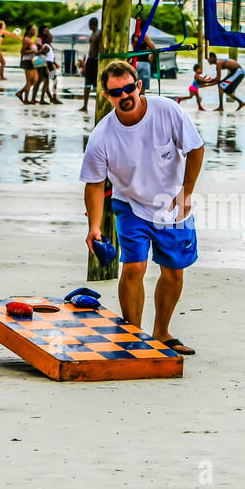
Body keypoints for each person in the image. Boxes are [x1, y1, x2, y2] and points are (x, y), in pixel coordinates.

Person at [80, 60, 204, 356]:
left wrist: (186, 193)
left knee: (174, 272)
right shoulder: (102, 135)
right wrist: (94, 227)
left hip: (171, 202)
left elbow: (195, 149)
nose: (124, 95)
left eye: (128, 88)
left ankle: (161, 331)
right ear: (106, 96)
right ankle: (132, 335)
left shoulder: (167, 110)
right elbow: (95, 184)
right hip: (130, 204)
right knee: (134, 266)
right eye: (115, 92)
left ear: (139, 86)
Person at [79, 16, 100, 112]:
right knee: (87, 84)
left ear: (93, 25)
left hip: (95, 60)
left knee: (96, 85)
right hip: (90, 60)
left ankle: (98, 106)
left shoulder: (99, 34)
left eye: (90, 25)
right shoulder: (93, 34)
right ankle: (85, 105)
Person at [15, 23, 39, 104]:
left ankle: (20, 92)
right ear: (29, 31)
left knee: (35, 81)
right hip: (27, 61)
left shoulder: (31, 40)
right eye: (33, 29)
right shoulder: (26, 40)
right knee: (29, 82)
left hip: (33, 61)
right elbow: (22, 51)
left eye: (35, 29)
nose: (34, 31)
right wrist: (32, 51)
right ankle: (26, 99)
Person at [132, 23, 156, 92]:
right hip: (143, 63)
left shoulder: (134, 35)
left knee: (135, 86)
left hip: (135, 62)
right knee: (142, 88)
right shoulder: (143, 35)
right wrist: (151, 57)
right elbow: (153, 47)